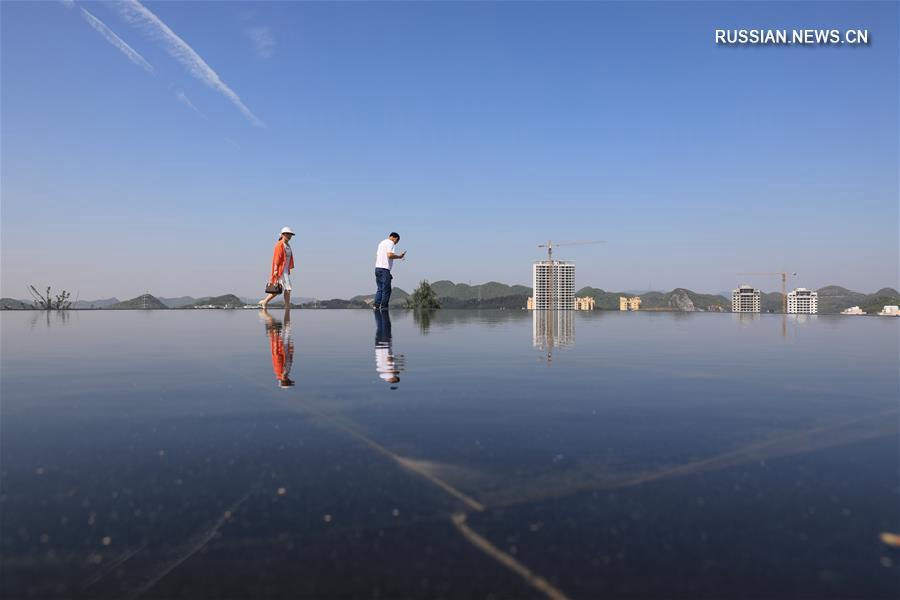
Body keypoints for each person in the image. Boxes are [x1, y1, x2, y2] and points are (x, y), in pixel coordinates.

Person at [259, 227, 295, 308]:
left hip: (285, 270)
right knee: (288, 288)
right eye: (287, 234)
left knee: (277, 290)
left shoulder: (288, 245)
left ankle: (264, 302)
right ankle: (287, 305)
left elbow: (288, 259)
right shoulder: (280, 244)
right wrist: (275, 269)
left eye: (290, 235)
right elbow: (277, 258)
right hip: (281, 270)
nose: (289, 236)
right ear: (282, 235)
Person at [260, 308, 294, 388]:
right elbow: (288, 359)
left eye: (287, 381)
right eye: (288, 380)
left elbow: (277, 355)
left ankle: (264, 312)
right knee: (286, 326)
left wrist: (277, 340)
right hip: (283, 344)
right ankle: (264, 312)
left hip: (281, 344)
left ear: (283, 380)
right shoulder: (284, 373)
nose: (288, 379)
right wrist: (290, 347)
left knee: (279, 325)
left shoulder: (280, 371)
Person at [373, 232, 405, 309]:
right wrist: (399, 257)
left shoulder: (381, 243)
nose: (396, 243)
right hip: (384, 269)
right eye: (397, 242)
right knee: (386, 289)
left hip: (377, 268)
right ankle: (384, 307)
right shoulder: (391, 243)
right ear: (396, 238)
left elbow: (376, 257)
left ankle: (376, 305)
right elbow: (389, 255)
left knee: (380, 288)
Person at [374, 309, 403, 388]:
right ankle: (376, 311)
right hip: (378, 347)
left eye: (396, 376)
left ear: (393, 378)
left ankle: (383, 309)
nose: (396, 374)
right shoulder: (381, 375)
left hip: (384, 346)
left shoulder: (389, 374)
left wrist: (397, 365)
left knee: (387, 325)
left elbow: (389, 360)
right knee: (379, 327)